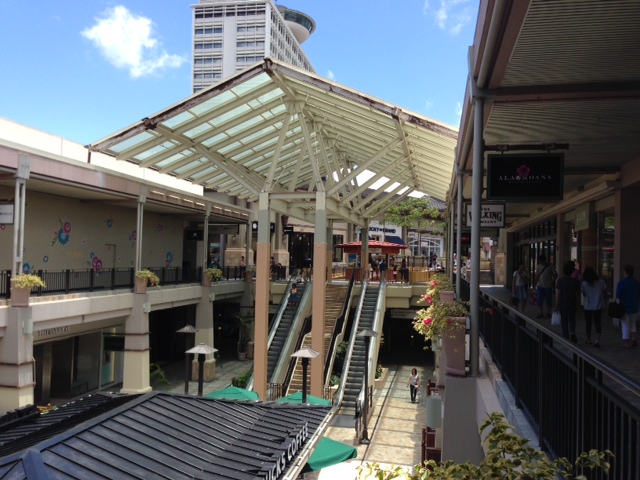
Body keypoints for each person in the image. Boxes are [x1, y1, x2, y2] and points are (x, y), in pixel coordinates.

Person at [554, 261, 580, 342]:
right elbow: (577, 294)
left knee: (564, 320)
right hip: (572, 302)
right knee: (572, 319)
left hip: (563, 303)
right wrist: (578, 304)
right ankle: (572, 332)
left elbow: (559, 294)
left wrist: (557, 305)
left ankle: (565, 337)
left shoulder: (560, 281)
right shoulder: (575, 281)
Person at [615, 264, 640, 348]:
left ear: (625, 272)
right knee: (633, 324)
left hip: (624, 307)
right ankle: (634, 338)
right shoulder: (636, 283)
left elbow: (618, 295)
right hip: (635, 306)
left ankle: (626, 342)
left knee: (625, 324)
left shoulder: (621, 283)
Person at [581, 266, 606, 347]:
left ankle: (588, 339)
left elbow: (583, 293)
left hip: (587, 306)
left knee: (588, 323)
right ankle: (597, 340)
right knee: (597, 323)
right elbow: (604, 290)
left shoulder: (584, 283)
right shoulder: (601, 282)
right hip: (598, 305)